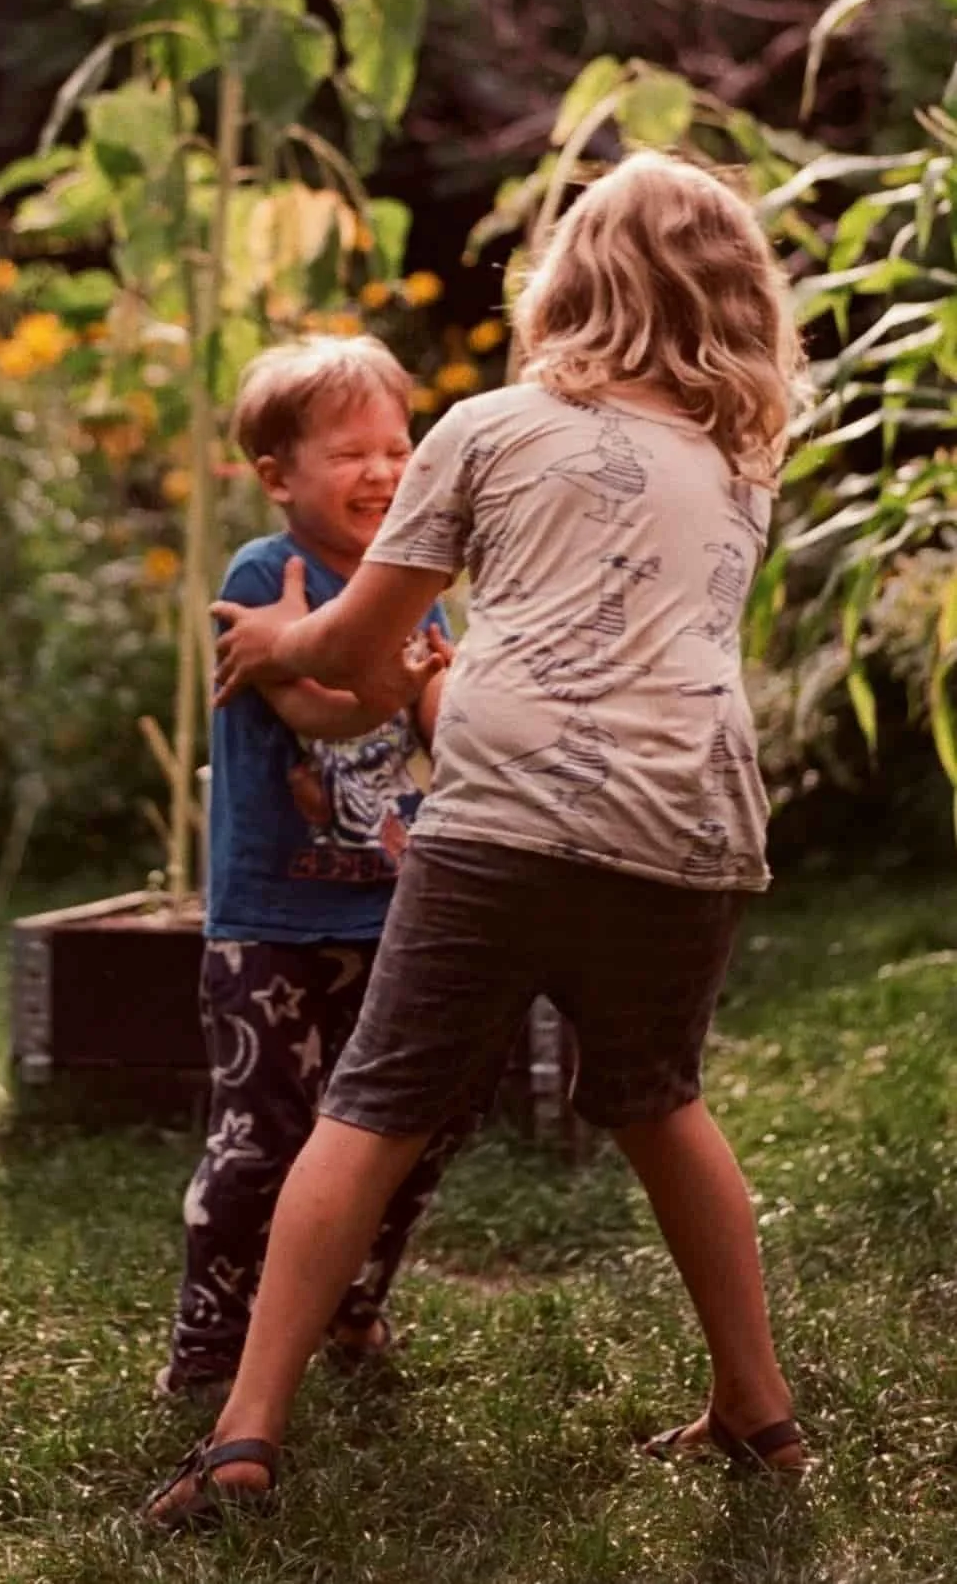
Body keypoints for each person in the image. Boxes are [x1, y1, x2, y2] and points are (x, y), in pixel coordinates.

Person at [147, 152, 808, 1525]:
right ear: (735, 299)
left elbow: (353, 639)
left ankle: (244, 1429)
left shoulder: (490, 428)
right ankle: (758, 1405)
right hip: (686, 828)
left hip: (505, 818)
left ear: (571, 275)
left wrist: (276, 635)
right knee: (654, 1097)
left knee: (370, 1104)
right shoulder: (739, 466)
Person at [156, 334, 463, 1404]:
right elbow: (305, 703)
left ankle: (353, 1303)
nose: (383, 471)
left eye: (397, 446)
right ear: (279, 477)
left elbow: (439, 723)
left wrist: (447, 695)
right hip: (271, 925)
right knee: (260, 1141)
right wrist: (397, 679)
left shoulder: (406, 587)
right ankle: (208, 1341)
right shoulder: (263, 573)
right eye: (349, 453)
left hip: (386, 914)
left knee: (395, 1140)